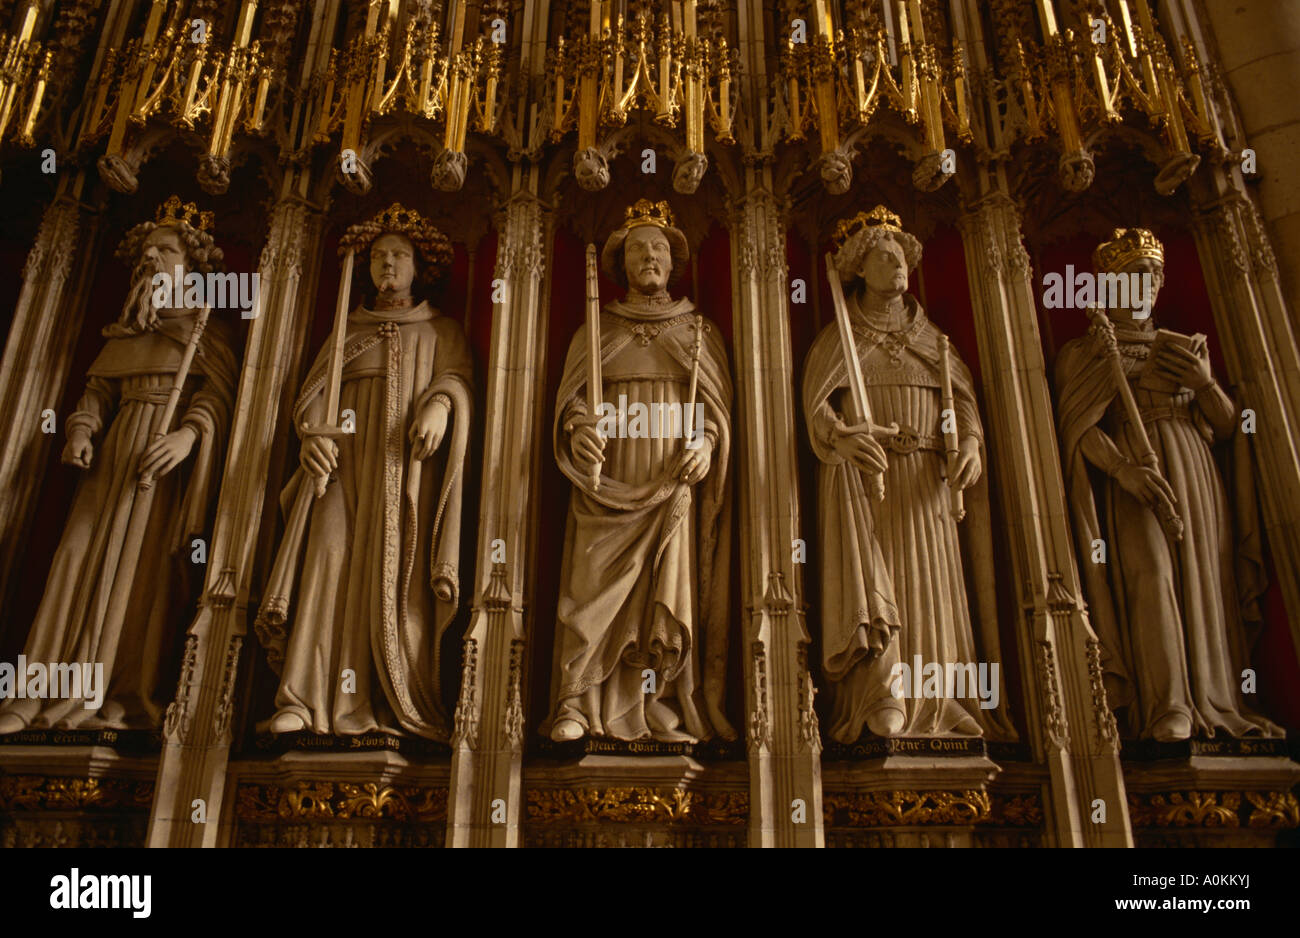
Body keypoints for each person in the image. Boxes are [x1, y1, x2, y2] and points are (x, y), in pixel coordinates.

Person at [256, 203, 472, 740]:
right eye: (377, 256)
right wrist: (312, 436)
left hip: (403, 473)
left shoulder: (439, 330)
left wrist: (442, 404)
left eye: (398, 254)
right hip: (343, 467)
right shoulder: (347, 328)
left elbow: (461, 380)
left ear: (420, 266)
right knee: (327, 559)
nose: (387, 264)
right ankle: (304, 696)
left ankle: (383, 699)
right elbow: (312, 395)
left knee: (392, 573)